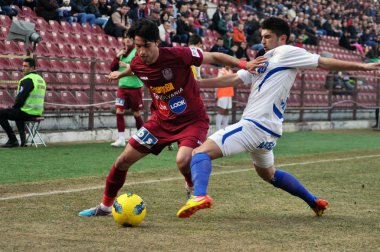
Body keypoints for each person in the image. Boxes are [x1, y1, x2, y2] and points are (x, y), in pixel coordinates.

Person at [177, 17, 380, 219]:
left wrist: (362, 67)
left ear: (282, 38)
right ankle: (314, 201)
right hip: (268, 132)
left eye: (268, 37)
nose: (263, 40)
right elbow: (234, 79)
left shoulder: (286, 52)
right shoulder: (263, 59)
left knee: (199, 153)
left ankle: (199, 195)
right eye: (262, 36)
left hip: (255, 125)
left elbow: (323, 62)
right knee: (269, 175)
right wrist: (197, 85)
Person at [78, 19, 266, 217]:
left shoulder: (179, 55)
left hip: (192, 121)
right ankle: (105, 208)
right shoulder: (137, 61)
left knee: (183, 160)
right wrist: (120, 73)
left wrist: (244, 63)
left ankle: (191, 188)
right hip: (160, 122)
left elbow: (213, 56)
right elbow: (134, 67)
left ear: (156, 42)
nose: (141, 51)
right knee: (123, 160)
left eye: (146, 46)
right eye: (138, 46)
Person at [0, 58, 46, 148]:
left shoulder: (27, 79)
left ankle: (13, 140)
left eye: (26, 66)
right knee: (17, 112)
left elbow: (21, 98)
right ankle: (22, 141)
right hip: (38, 111)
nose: (23, 68)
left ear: (32, 67)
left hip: (27, 111)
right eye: (23, 65)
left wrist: (14, 107)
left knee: (1, 113)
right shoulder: (41, 80)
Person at [109, 34, 144, 148]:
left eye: (130, 37)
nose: (127, 39)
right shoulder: (122, 53)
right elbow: (113, 68)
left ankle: (141, 137)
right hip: (122, 87)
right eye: (125, 37)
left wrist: (126, 65)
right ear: (123, 40)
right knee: (119, 111)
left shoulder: (136, 52)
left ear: (133, 40)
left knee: (136, 113)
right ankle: (121, 139)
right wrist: (117, 56)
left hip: (135, 88)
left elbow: (140, 69)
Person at [215, 65, 234, 131]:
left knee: (227, 111)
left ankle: (225, 128)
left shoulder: (231, 71)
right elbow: (217, 83)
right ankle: (218, 128)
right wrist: (216, 94)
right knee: (221, 110)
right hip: (222, 94)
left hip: (229, 94)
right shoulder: (221, 71)